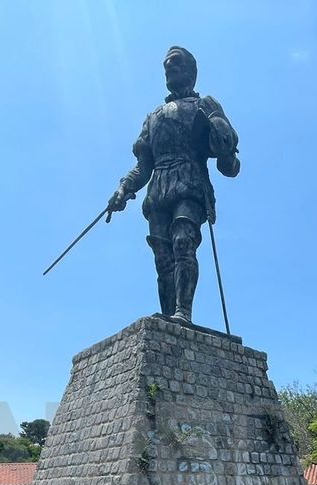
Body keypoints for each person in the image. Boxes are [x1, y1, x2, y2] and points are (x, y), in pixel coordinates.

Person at [106, 46, 240, 324]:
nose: (170, 67)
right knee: (163, 258)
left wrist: (219, 129)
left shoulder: (206, 105)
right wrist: (124, 188)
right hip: (159, 190)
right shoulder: (153, 117)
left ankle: (183, 312)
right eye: (166, 65)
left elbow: (228, 165)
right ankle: (168, 318)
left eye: (176, 63)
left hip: (190, 183)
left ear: (191, 71)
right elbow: (144, 166)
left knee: (183, 242)